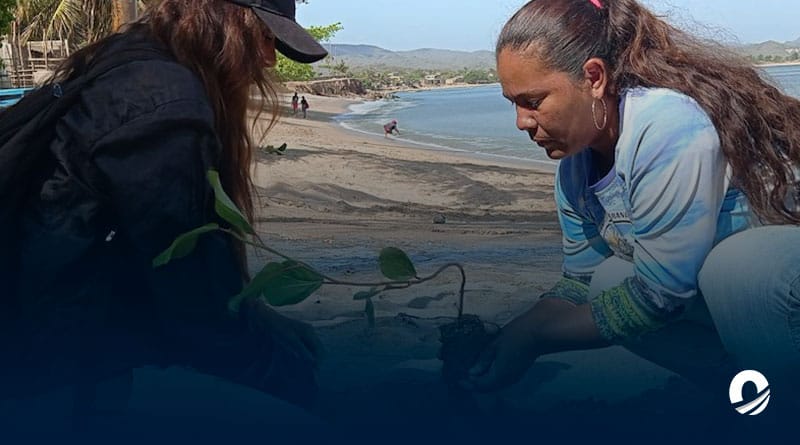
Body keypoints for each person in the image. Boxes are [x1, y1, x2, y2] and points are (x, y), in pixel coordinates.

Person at [0, 0, 329, 427]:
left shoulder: (130, 58)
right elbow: (190, 293)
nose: (268, 58)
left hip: (53, 323)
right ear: (223, 20)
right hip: (51, 364)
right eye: (264, 37)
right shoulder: (163, 102)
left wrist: (261, 318)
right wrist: (290, 375)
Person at [463, 0, 800, 406]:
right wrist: (515, 333)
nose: (521, 121)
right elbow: (581, 280)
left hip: (778, 281)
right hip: (746, 308)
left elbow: (663, 294)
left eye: (533, 101)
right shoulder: (575, 168)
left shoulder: (667, 125)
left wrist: (537, 339)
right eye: (512, 103)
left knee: (735, 267)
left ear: (594, 77)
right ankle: (740, 394)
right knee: (610, 280)